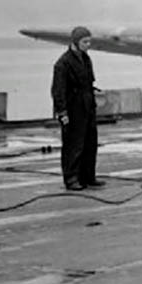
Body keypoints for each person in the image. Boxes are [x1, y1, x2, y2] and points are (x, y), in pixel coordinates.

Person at [51, 26, 104, 191]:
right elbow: (57, 91)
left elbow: (89, 82)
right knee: (73, 145)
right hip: (73, 108)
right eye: (85, 41)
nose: (88, 44)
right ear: (75, 42)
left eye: (89, 41)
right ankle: (71, 178)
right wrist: (62, 112)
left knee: (90, 143)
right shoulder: (63, 64)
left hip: (88, 106)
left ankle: (88, 177)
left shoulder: (86, 59)